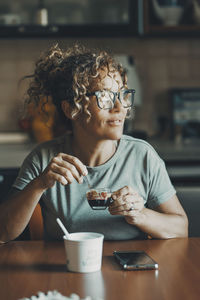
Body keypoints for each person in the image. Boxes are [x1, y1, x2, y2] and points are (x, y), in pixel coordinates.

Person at [0, 44, 188, 242]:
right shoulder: (44, 159)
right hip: (63, 270)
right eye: (104, 97)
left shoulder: (142, 156)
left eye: (122, 95)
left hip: (128, 270)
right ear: (71, 108)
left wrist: (140, 215)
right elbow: (2, 233)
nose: (119, 108)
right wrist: (39, 185)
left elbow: (181, 228)